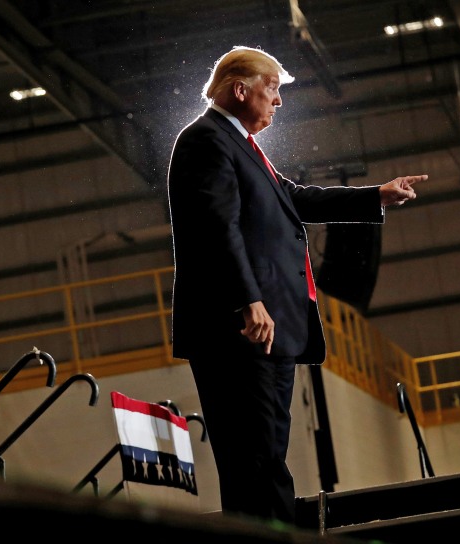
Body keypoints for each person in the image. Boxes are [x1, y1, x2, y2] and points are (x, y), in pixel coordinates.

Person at [167, 45, 427, 524]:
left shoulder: (239, 145)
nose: (278, 102)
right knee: (256, 462)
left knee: (265, 458)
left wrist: (376, 196)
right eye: (273, 90)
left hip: (270, 329)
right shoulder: (205, 140)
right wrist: (247, 299)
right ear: (240, 89)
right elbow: (215, 227)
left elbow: (293, 197)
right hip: (242, 330)